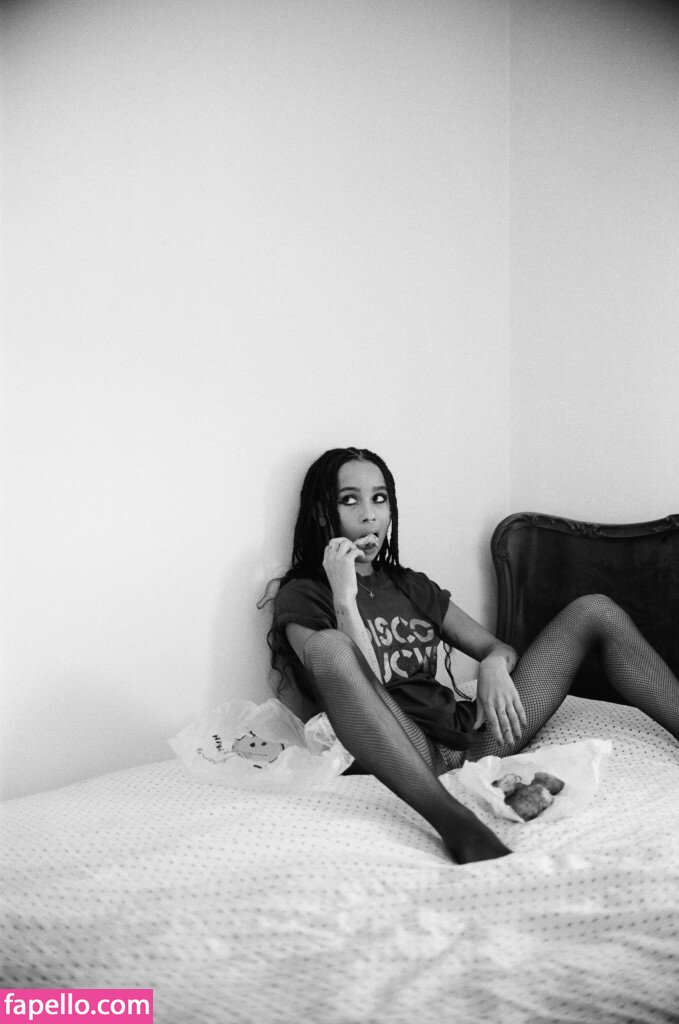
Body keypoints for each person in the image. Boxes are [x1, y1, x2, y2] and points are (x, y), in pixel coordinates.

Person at [264, 447, 679, 864]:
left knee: (594, 610)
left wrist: (493, 665)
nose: (369, 516)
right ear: (322, 513)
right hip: (404, 748)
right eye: (349, 500)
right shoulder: (302, 595)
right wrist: (344, 596)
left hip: (472, 738)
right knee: (330, 646)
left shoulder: (411, 586)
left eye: (380, 498)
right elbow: (366, 681)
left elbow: (496, 647)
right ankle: (455, 823)